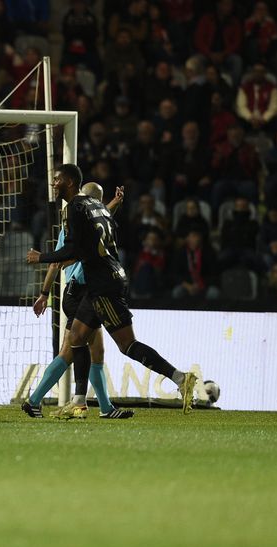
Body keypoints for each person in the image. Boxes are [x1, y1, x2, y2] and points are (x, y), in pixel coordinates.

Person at [24, 164, 198, 416]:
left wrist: (41, 257)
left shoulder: (74, 208)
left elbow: (72, 251)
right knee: (76, 340)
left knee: (126, 345)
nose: (53, 184)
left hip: (102, 285)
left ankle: (180, 378)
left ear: (71, 183)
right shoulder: (98, 209)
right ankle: (80, 402)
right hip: (102, 283)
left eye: (57, 180)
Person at [28, 182, 134, 419]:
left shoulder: (87, 220)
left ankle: (105, 408)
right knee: (69, 352)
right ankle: (36, 400)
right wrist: (45, 293)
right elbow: (57, 261)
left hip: (88, 292)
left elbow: (97, 222)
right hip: (80, 294)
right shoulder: (73, 226)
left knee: (96, 352)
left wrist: (114, 205)